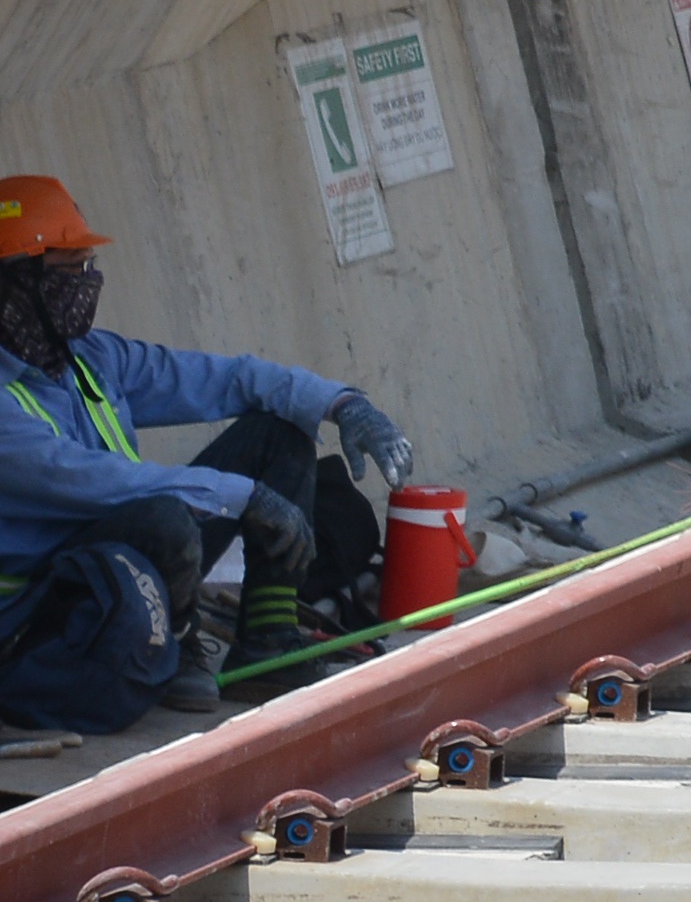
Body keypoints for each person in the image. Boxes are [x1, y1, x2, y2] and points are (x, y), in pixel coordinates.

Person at [0, 174, 406, 728]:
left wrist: (341, 403)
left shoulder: (90, 358)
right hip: (39, 609)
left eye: (87, 268)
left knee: (277, 433)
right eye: (70, 272)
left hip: (116, 559)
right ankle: (179, 640)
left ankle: (267, 640)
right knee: (165, 516)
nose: (87, 284)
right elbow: (95, 482)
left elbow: (226, 378)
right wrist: (240, 495)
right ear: (17, 284)